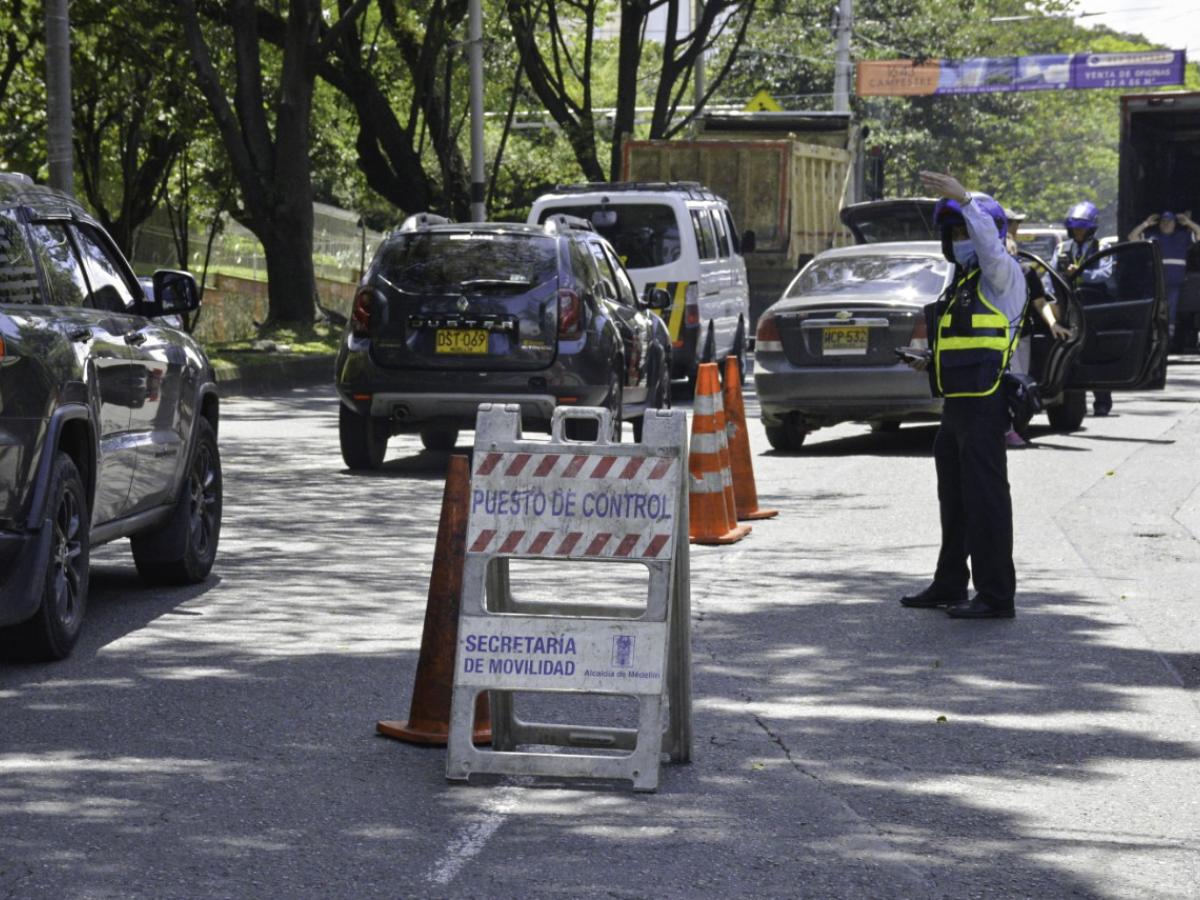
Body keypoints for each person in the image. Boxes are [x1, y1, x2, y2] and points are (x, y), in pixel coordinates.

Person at [899, 172, 1023, 620]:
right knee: (955, 502)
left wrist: (968, 202)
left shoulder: (1001, 276)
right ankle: (951, 582)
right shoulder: (961, 284)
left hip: (987, 406)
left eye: (963, 231)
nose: (957, 240)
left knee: (986, 501)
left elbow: (990, 249)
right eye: (950, 232)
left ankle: (996, 595)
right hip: (956, 409)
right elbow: (965, 345)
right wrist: (926, 361)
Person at [1004, 208, 1071, 447]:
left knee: (1018, 384)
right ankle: (1004, 429)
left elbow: (1040, 302)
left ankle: (1016, 429)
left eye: (1011, 248)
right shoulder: (986, 271)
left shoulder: (1026, 271)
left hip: (1020, 337)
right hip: (992, 338)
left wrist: (1053, 325)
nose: (1010, 249)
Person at [1058, 201, 1114, 414]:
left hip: (1095, 306)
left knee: (1095, 353)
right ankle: (1071, 403)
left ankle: (1102, 401)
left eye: (1082, 227)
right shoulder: (1062, 248)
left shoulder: (1102, 248)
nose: (1078, 231)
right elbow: (1049, 277)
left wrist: (1080, 273)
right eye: (1075, 228)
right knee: (1071, 355)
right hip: (1069, 307)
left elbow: (1105, 274)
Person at [1130, 211, 1200, 350]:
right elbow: (1132, 237)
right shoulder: (1153, 237)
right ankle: (1155, 341)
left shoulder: (1183, 236)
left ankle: (1168, 341)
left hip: (1175, 284)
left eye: (1169, 221)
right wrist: (1146, 224)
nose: (1166, 224)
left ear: (1175, 223)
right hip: (1155, 284)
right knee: (1154, 313)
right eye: (1163, 221)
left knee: (1171, 313)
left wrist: (1188, 222)